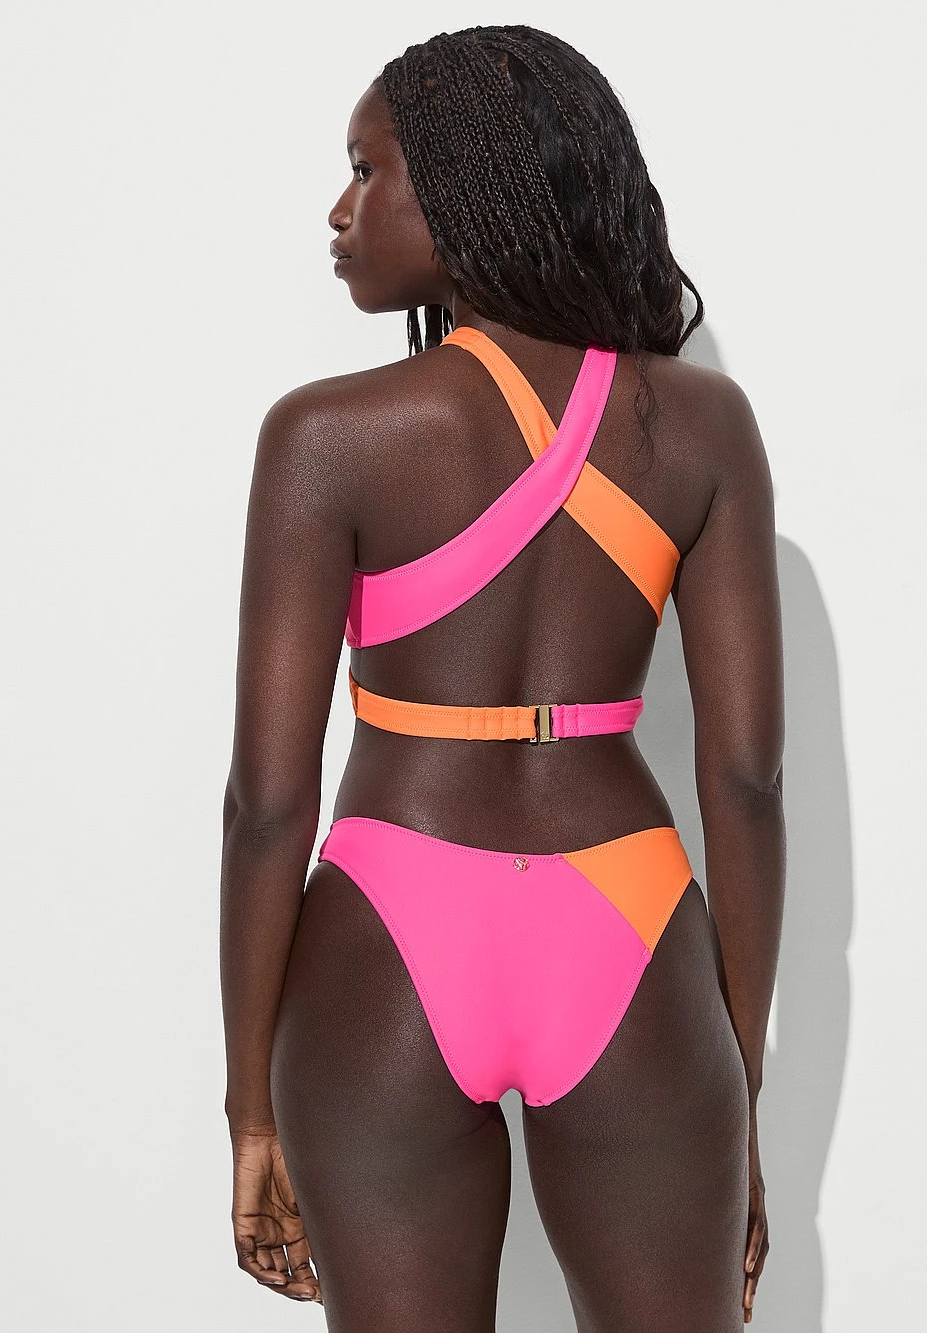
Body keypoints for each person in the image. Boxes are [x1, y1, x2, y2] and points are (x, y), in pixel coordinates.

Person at [219, 23, 785, 1332]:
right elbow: (749, 780)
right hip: (628, 929)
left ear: (463, 189)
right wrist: (738, 1086)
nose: (340, 211)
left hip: (388, 933)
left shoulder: (329, 436)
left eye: (367, 170)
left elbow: (265, 804)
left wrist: (250, 1107)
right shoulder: (699, 427)